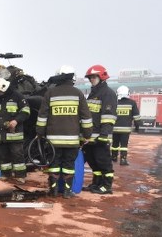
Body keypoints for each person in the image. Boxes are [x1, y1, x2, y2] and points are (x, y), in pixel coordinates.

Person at [35, 65, 92, 198]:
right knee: (69, 165)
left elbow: (42, 117)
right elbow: (86, 117)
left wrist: (40, 133)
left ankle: (53, 191)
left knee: (54, 165)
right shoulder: (78, 94)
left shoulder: (50, 93)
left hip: (53, 141)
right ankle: (67, 192)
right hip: (72, 141)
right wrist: (87, 135)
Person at [83, 64, 118, 194]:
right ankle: (96, 183)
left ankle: (106, 186)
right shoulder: (93, 93)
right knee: (93, 161)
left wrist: (104, 134)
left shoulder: (108, 93)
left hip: (100, 136)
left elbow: (108, 116)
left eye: (94, 77)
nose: (91, 79)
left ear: (101, 77)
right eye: (90, 77)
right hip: (90, 136)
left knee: (103, 162)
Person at [0, 77, 31, 179]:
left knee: (17, 156)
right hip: (1, 135)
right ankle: (5, 175)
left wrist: (16, 121)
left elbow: (26, 111)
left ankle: (20, 176)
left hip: (14, 134)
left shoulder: (17, 96)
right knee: (3, 156)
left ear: (4, 87)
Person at [111, 85, 140, 166]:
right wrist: (137, 128)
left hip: (114, 129)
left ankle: (114, 157)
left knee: (114, 144)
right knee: (124, 145)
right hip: (125, 130)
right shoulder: (132, 103)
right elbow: (136, 117)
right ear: (128, 93)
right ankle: (123, 160)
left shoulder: (114, 102)